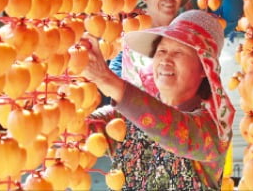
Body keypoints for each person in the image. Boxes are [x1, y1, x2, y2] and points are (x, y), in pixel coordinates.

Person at [81, 10, 236, 190]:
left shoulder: (214, 128)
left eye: (178, 52)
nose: (165, 60)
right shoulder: (124, 117)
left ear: (204, 68)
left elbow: (173, 128)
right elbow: (76, 130)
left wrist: (106, 79)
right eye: (161, 50)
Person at [109, 0, 243, 96]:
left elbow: (230, 14)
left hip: (188, 116)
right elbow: (115, 84)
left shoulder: (193, 31)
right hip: (142, 114)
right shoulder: (130, 38)